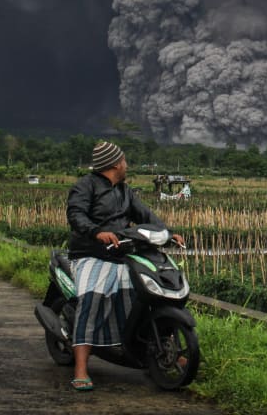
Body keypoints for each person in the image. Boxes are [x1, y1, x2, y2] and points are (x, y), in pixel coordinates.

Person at [65, 140, 184, 391]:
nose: (127, 164)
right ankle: (81, 368)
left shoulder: (124, 191)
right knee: (92, 298)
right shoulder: (85, 187)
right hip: (90, 254)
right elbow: (76, 215)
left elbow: (146, 215)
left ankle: (152, 350)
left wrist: (168, 233)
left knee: (143, 296)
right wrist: (97, 232)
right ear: (116, 164)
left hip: (122, 254)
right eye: (125, 161)